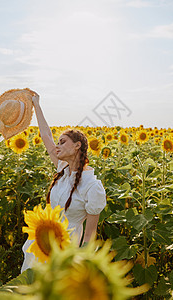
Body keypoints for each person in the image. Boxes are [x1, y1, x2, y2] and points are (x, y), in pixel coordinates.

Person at [21, 92, 106, 272]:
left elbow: (90, 233)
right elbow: (45, 134)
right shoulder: (62, 169)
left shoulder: (92, 186)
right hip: (42, 242)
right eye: (57, 142)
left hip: (67, 249)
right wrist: (36, 104)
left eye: (62, 142)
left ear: (77, 146)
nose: (57, 146)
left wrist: (82, 262)